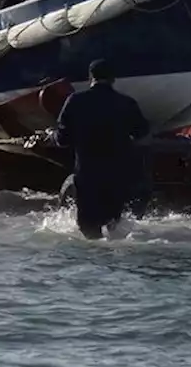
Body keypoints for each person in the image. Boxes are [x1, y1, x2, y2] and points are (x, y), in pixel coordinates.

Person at [53, 59, 150, 239]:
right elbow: (142, 132)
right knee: (113, 225)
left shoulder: (75, 100)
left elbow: (62, 139)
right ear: (113, 79)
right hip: (117, 174)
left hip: (87, 174)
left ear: (90, 77)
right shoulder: (126, 103)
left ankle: (95, 262)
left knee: (88, 227)